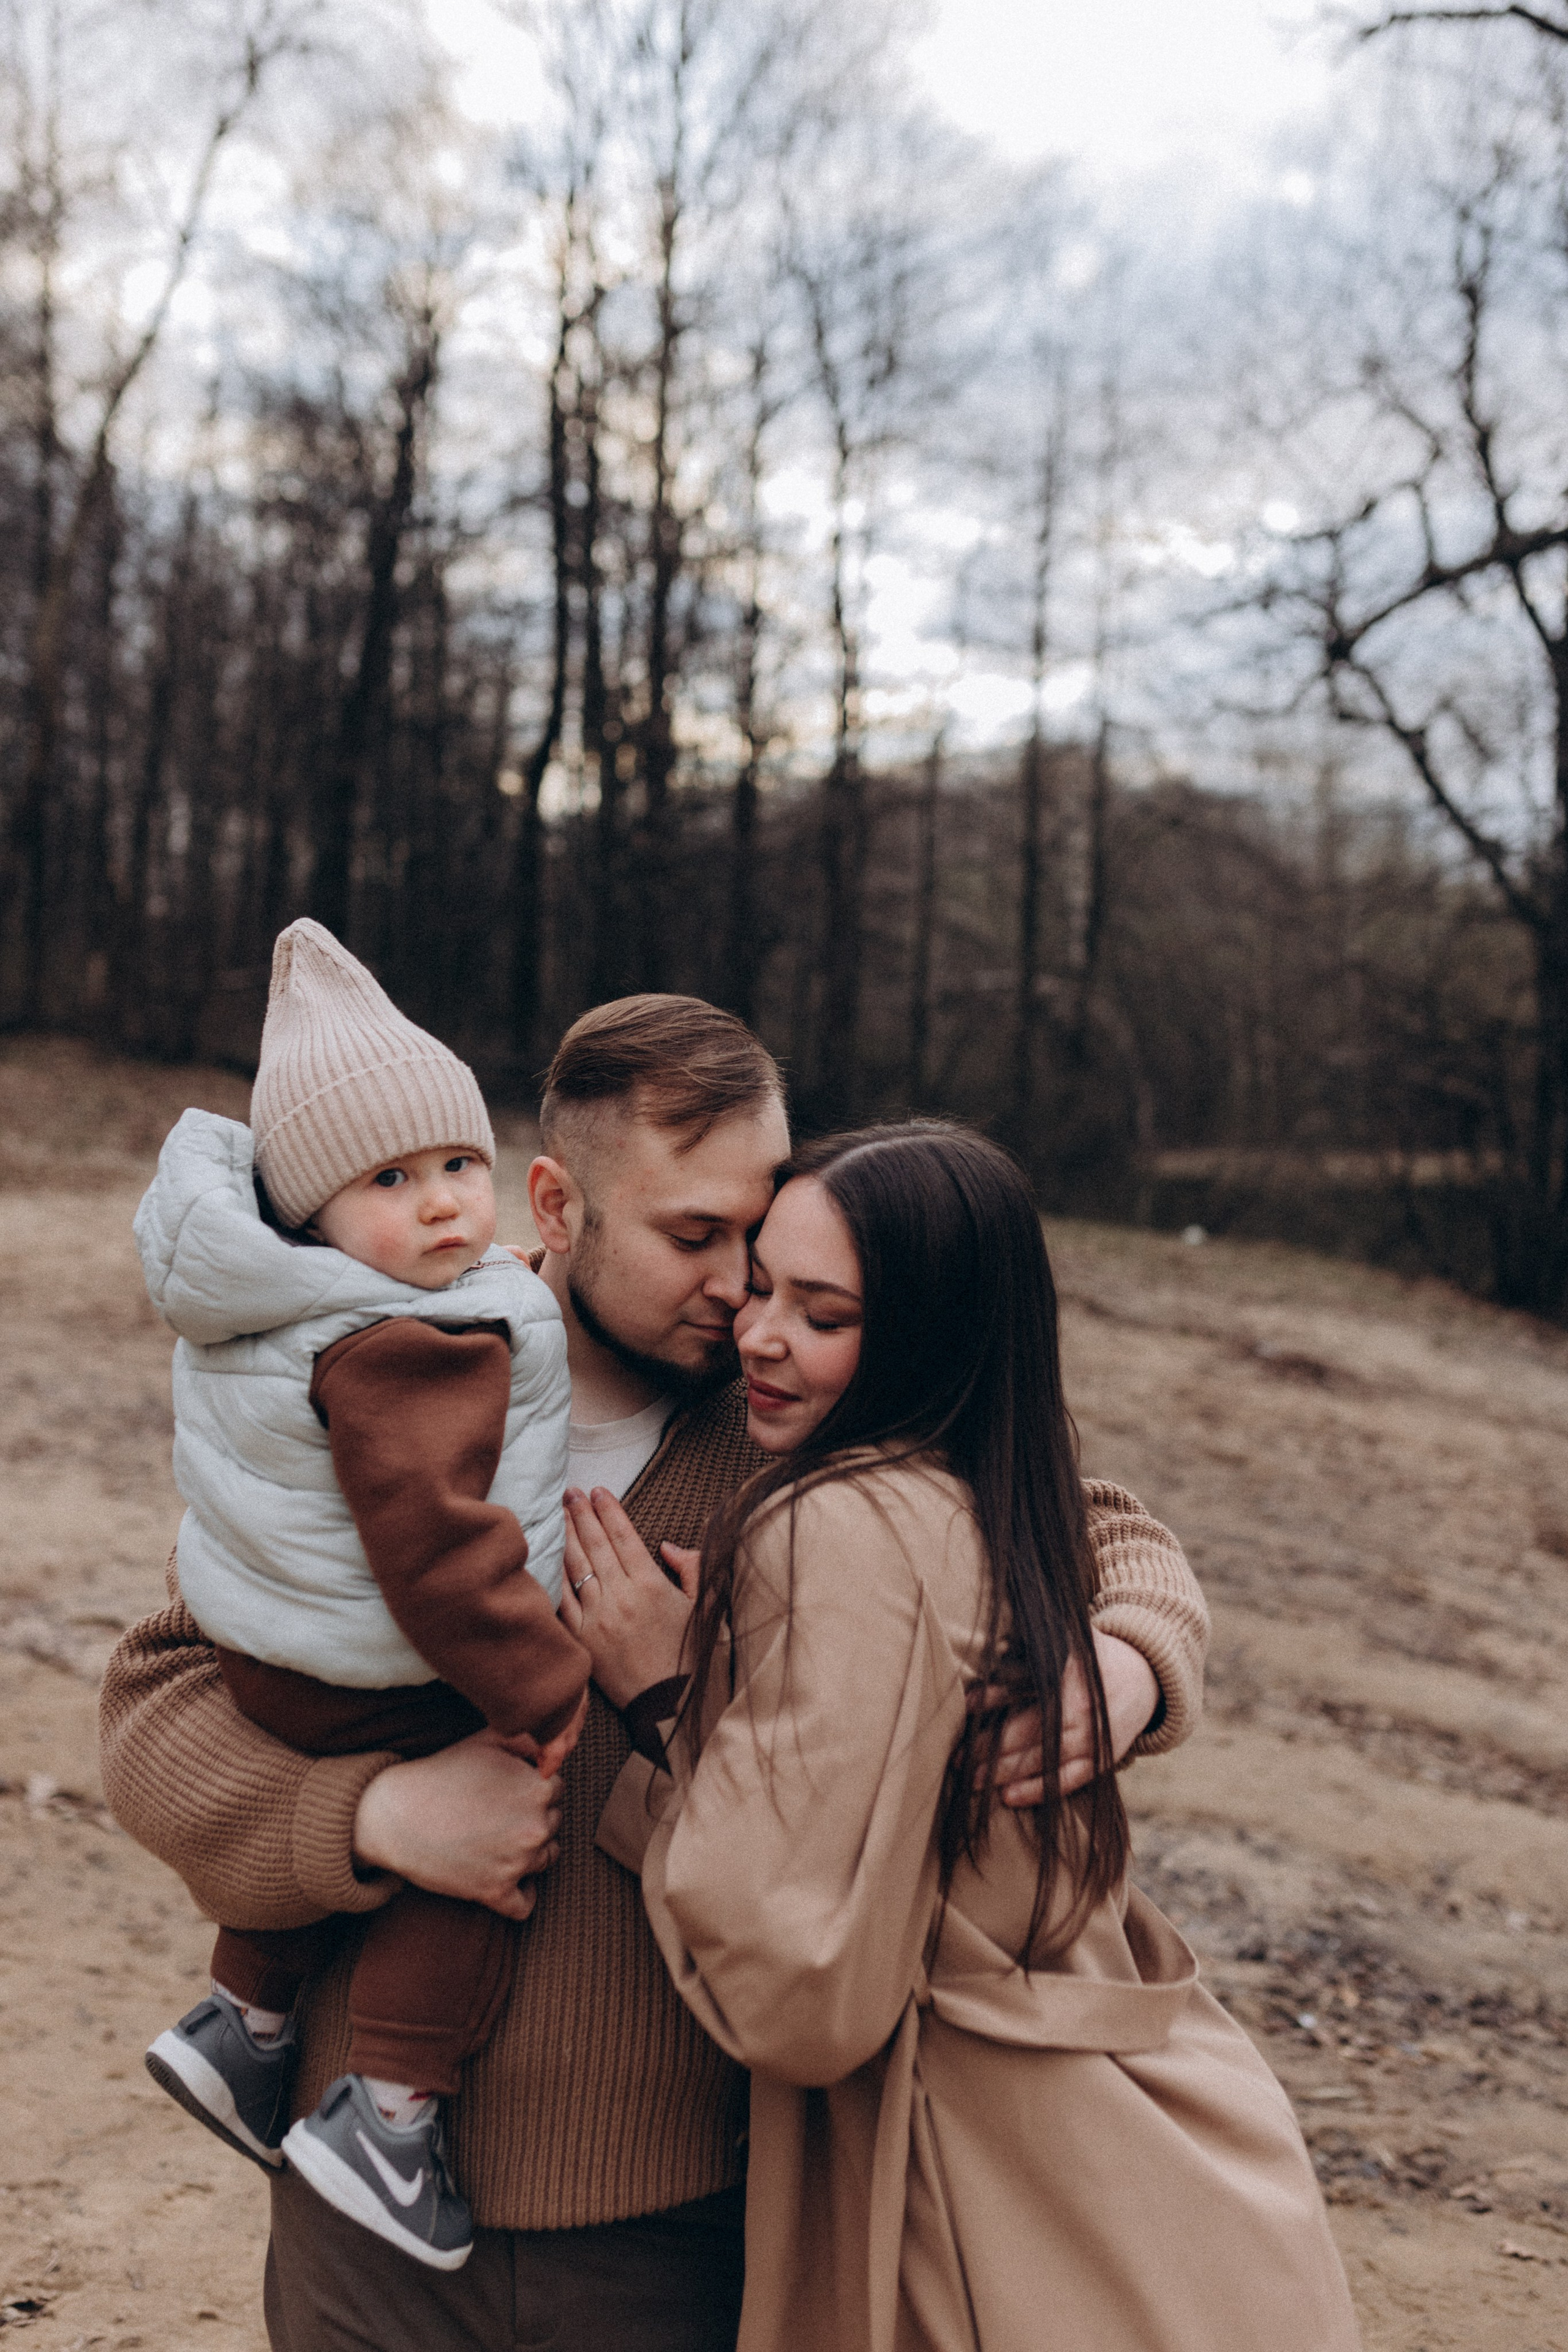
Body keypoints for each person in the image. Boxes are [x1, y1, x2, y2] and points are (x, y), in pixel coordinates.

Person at [100, 995, 1212, 2352]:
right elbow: (156, 1704)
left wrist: (1128, 1659)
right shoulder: (378, 1374)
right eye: (695, 1236)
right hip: (355, 2215)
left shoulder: (801, 1425)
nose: (745, 1288)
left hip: (683, 2223)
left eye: (762, 1229)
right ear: (559, 1206)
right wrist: (376, 1823)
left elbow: (1094, 1525)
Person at [564, 1123, 1360, 2352]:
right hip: (1155, 2179)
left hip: (978, 2199)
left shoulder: (830, 1529)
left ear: (927, 1334)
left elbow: (799, 1990)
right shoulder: (997, 1475)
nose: (757, 1333)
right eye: (760, 1286)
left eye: (819, 1313)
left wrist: (664, 1703)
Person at [134, 919, 589, 2271]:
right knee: (480, 1842)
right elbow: (439, 1552)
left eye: (459, 1162)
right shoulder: (407, 1345)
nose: (447, 1203)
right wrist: (540, 1683)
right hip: (368, 1664)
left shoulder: (282, 1306)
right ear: (310, 1212)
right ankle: (389, 2119)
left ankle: (244, 2023)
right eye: (392, 1178)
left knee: (396, 1785)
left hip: (276, 1651)